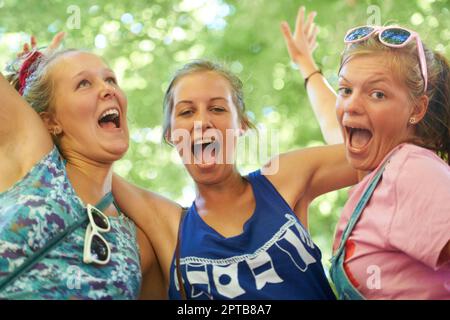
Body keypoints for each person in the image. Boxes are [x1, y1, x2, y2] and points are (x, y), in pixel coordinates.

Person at [112, 58, 359, 299]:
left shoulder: (282, 179)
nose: (201, 122)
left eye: (218, 108)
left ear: (240, 124)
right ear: (171, 134)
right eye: (187, 112)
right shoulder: (168, 226)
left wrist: (310, 70)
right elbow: (86, 168)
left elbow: (363, 148)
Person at [281, 7, 450, 299]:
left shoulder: (409, 169)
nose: (351, 105)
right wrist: (306, 66)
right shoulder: (379, 169)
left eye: (377, 94)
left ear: (417, 109)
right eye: (345, 89)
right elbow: (330, 119)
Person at [0, 35, 172, 299]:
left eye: (111, 79)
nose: (108, 89)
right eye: (84, 83)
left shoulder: (140, 247)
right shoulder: (32, 158)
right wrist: (28, 75)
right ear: (50, 121)